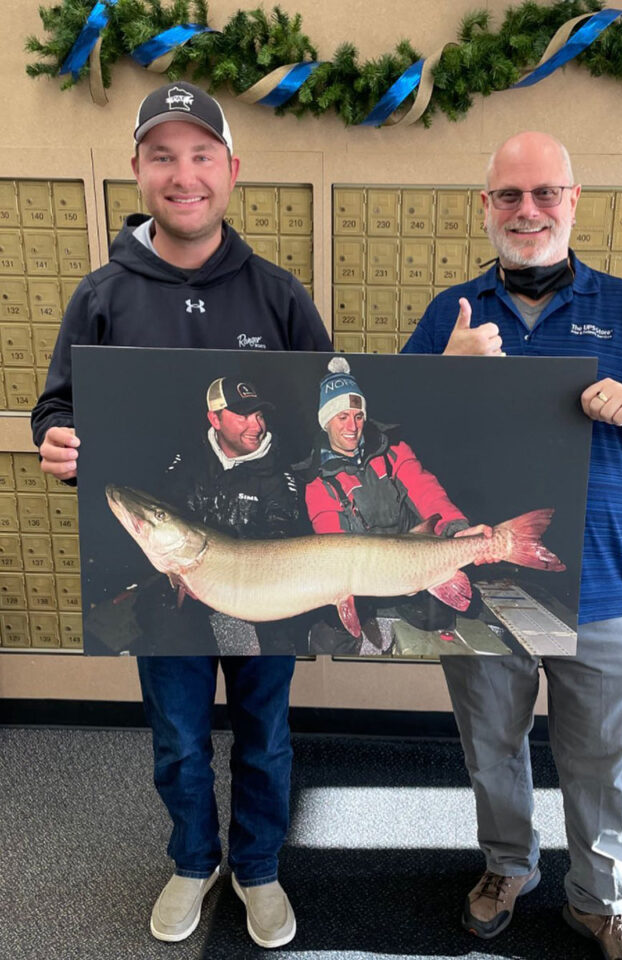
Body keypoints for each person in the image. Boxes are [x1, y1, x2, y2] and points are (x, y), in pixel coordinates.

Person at [402, 132, 622, 960]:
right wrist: (445, 366)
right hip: (480, 581)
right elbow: (388, 437)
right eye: (509, 196)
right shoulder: (454, 310)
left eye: (545, 194)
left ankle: (601, 898)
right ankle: (508, 866)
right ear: (487, 207)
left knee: (601, 760)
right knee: (492, 748)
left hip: (599, 588)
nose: (528, 211)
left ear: (573, 202)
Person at [31, 81, 331, 947]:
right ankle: (194, 860)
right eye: (163, 155)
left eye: (201, 154)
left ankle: (261, 867)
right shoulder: (102, 295)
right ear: (138, 170)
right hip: (165, 574)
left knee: (266, 734)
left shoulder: (277, 296)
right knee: (176, 735)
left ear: (231, 170)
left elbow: (328, 419)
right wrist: (57, 444)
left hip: (267, 571)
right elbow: (59, 411)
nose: (183, 173)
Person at [298, 356, 487, 653]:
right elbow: (330, 539)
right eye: (342, 417)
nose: (353, 426)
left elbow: (428, 493)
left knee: (441, 616)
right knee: (329, 638)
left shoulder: (393, 451)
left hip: (416, 559)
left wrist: (458, 529)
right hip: (360, 577)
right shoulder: (316, 481)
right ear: (326, 421)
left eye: (358, 416)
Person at [160, 375, 310, 656]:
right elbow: (172, 515)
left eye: (260, 415)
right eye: (243, 416)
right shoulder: (189, 459)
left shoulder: (278, 475)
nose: (257, 426)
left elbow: (282, 542)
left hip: (249, 596)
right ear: (215, 420)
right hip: (190, 588)